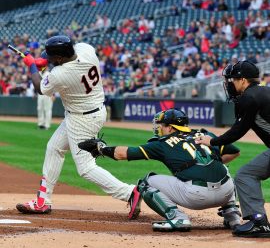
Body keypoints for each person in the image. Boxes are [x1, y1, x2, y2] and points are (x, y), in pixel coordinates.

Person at [16, 35, 141, 220]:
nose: (50, 59)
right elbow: (56, 64)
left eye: (52, 58)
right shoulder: (85, 49)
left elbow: (39, 87)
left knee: (86, 168)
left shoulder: (62, 74)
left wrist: (33, 66)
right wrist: (44, 63)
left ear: (59, 59)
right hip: (90, 111)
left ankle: (129, 192)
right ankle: (43, 200)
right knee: (54, 148)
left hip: (82, 120)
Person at [78, 108, 241, 232]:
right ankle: (232, 214)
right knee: (221, 167)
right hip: (225, 193)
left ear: (170, 128)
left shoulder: (162, 143)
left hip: (197, 197)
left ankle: (178, 218)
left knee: (146, 183)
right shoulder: (204, 133)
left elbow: (123, 154)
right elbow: (235, 152)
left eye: (162, 125)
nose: (159, 128)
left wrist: (101, 148)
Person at [196, 60, 270, 238]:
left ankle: (258, 223)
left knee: (246, 175)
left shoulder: (249, 97)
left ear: (243, 80)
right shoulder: (265, 91)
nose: (230, 84)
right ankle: (259, 222)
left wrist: (212, 142)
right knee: (248, 174)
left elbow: (238, 131)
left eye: (233, 80)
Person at [37, 66, 54, 130]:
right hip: (40, 93)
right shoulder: (39, 73)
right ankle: (41, 124)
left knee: (47, 109)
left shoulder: (49, 74)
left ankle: (47, 125)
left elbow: (53, 85)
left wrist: (53, 94)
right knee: (39, 109)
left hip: (48, 94)